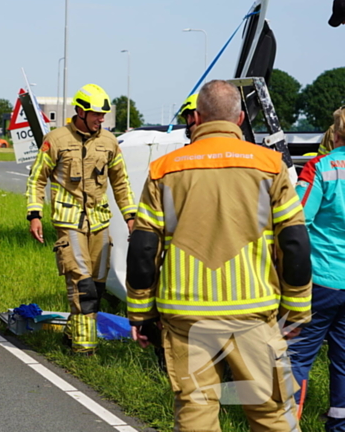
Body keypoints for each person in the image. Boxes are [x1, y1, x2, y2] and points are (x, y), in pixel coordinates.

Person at [126, 80, 312, 431]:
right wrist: (297, 311)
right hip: (252, 315)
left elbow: (143, 248)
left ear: (196, 117)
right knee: (272, 414)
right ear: (240, 118)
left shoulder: (164, 170)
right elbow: (295, 244)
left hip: (186, 319)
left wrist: (140, 314)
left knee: (196, 414)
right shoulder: (270, 167)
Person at [26, 83, 137, 355]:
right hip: (69, 221)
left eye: (103, 115)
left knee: (97, 288)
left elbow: (121, 182)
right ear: (80, 111)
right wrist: (34, 214)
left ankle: (71, 332)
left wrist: (131, 217)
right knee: (82, 285)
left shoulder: (109, 142)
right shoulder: (56, 139)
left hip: (100, 222)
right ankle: (84, 350)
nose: (101, 119)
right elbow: (37, 179)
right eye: (96, 114)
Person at [290, 106, 345, 431]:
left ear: (336, 134)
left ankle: (285, 425)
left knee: (297, 356)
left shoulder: (321, 168)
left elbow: (296, 221)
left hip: (321, 282)